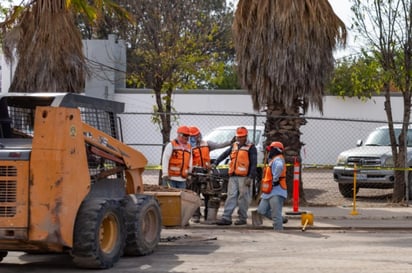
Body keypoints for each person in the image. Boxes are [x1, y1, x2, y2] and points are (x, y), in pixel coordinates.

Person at [187, 126, 234, 223]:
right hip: (194, 173)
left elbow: (219, 145)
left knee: (209, 194)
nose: (195, 138)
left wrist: (230, 142)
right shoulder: (188, 147)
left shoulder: (207, 144)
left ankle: (208, 215)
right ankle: (196, 216)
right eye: (193, 136)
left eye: (196, 135)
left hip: (206, 172)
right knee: (195, 195)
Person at [214, 126, 257, 225]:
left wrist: (250, 177)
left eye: (241, 137)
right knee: (231, 196)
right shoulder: (234, 145)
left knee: (243, 198)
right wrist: (215, 162)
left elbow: (253, 163)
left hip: (244, 177)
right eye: (238, 137)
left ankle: (242, 218)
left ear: (246, 136)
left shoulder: (251, 147)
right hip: (233, 176)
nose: (239, 139)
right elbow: (224, 154)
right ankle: (226, 218)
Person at [252, 141, 287, 231]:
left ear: (276, 150)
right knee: (261, 210)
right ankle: (281, 219)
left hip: (277, 191)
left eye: (271, 149)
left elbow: (279, 167)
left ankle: (278, 230)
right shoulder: (273, 159)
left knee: (275, 214)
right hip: (269, 191)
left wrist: (275, 179)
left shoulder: (278, 159)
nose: (269, 151)